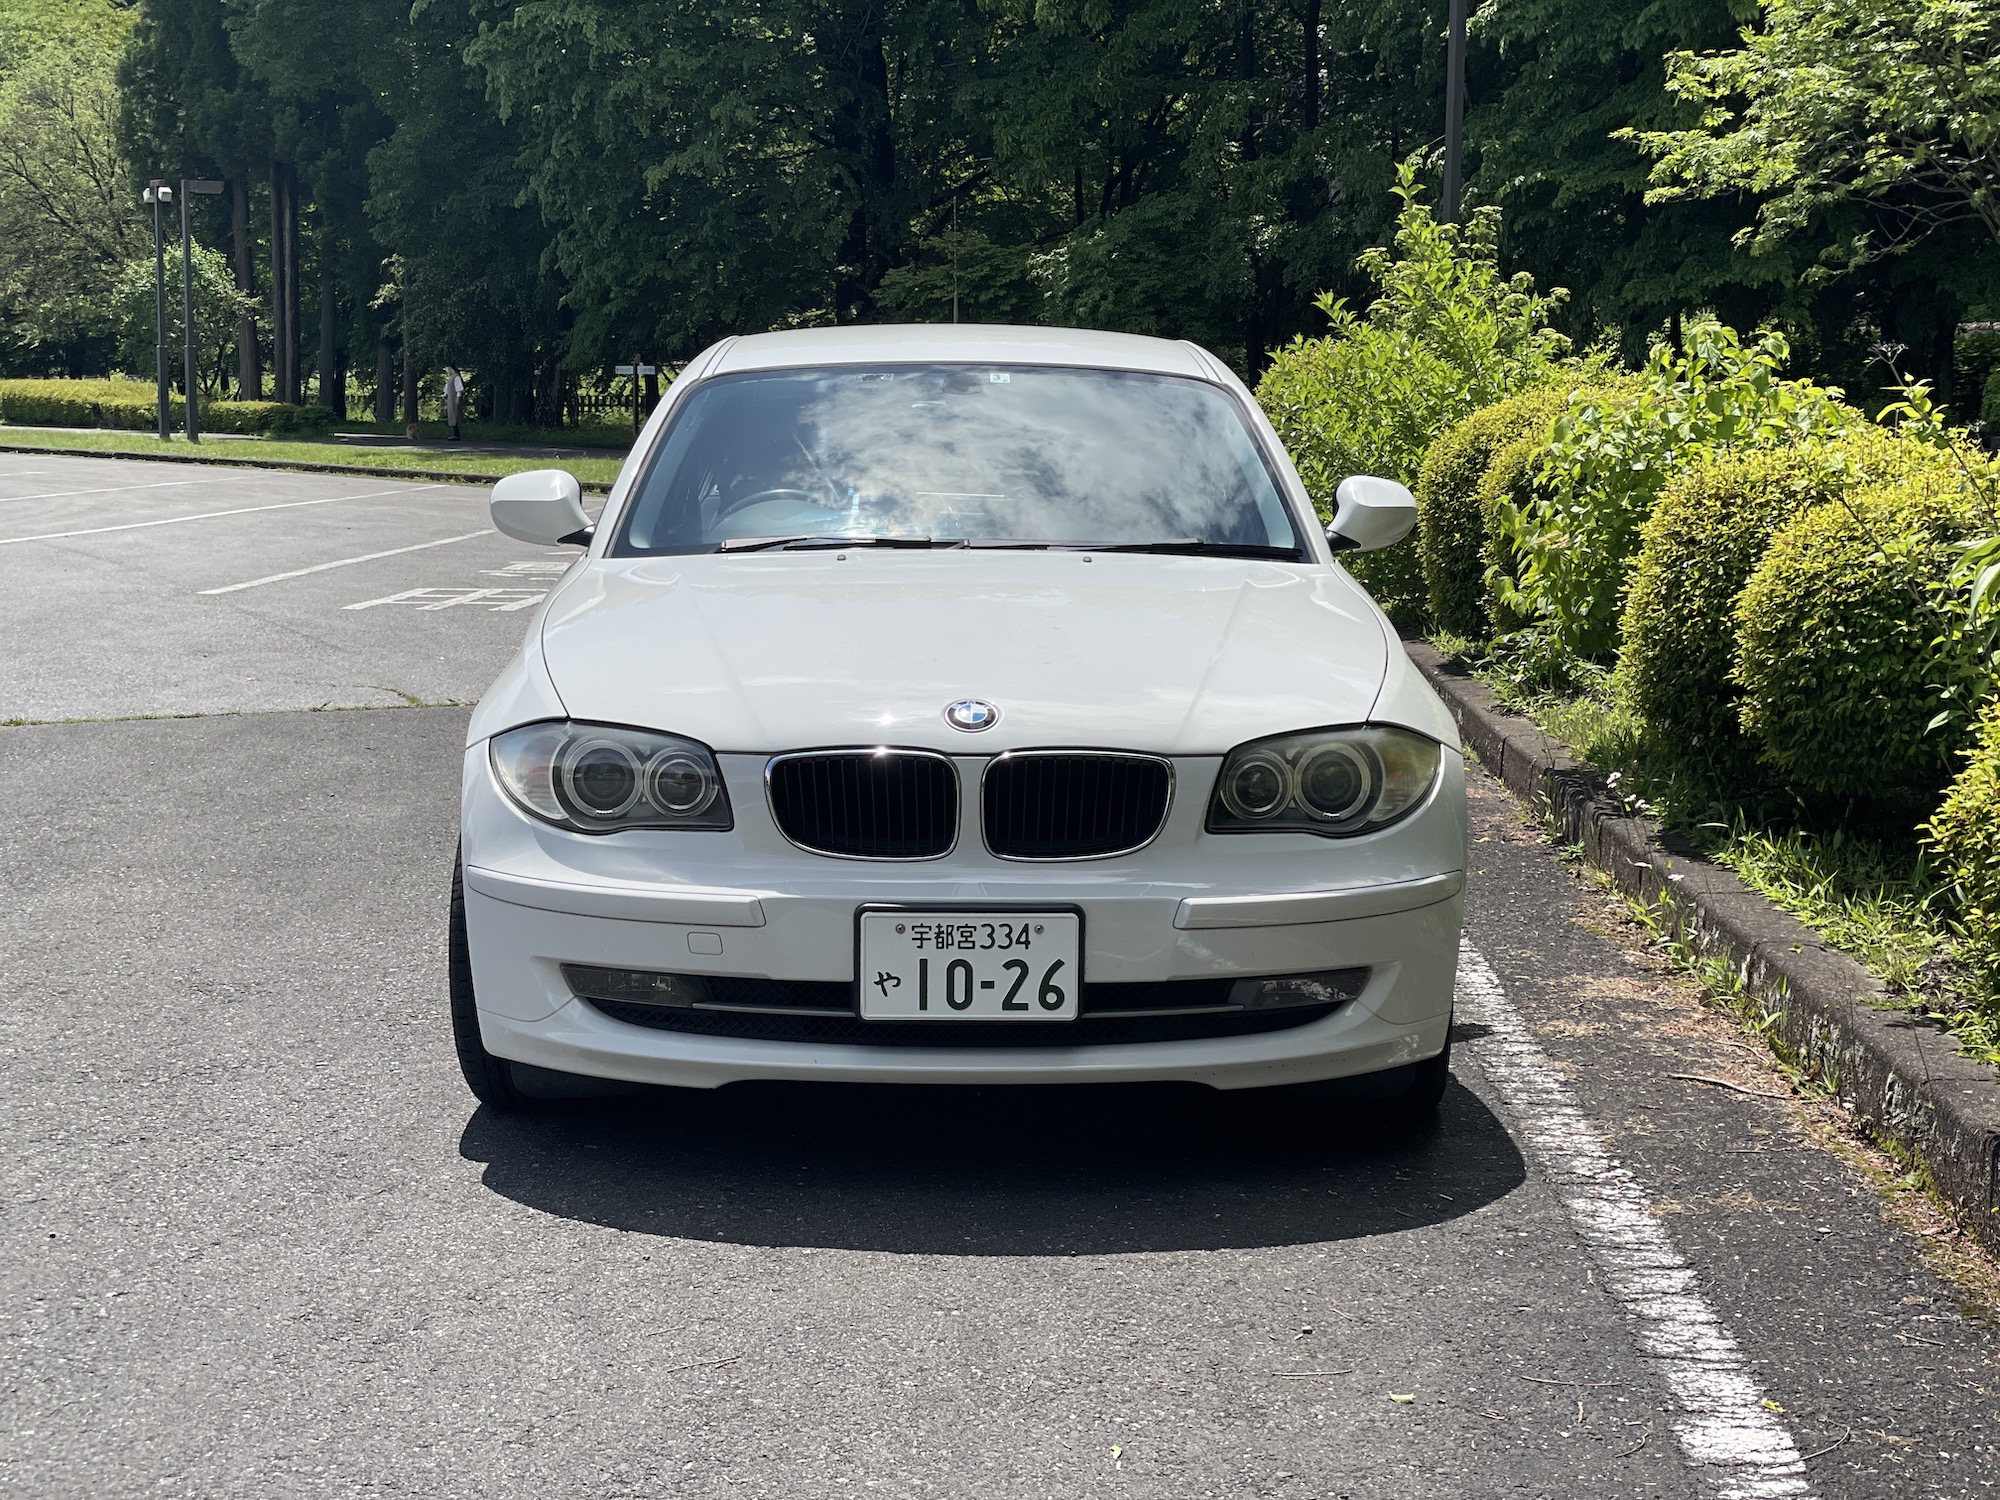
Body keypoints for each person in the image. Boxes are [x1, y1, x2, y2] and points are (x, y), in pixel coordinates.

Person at [443, 364, 466, 441]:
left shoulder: (456, 377)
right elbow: (447, 389)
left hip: (454, 398)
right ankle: (454, 433)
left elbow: (459, 388)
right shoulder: (450, 377)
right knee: (451, 415)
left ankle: (457, 434)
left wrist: (458, 397)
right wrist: (445, 396)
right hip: (450, 398)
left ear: (450, 368)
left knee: (455, 415)